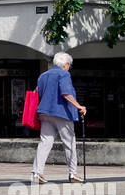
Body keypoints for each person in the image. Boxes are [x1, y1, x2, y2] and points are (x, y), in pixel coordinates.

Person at [32, 51, 86, 183]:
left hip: (45, 112)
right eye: (70, 65)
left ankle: (37, 173)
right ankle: (73, 173)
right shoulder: (64, 74)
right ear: (66, 64)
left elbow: (36, 92)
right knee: (69, 143)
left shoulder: (43, 75)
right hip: (62, 113)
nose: (69, 68)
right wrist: (79, 106)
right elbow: (66, 93)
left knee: (45, 143)